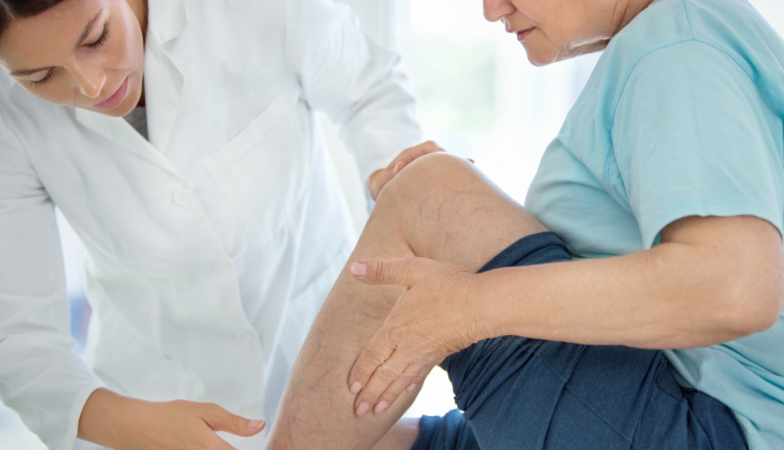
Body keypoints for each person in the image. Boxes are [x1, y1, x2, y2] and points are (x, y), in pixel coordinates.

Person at [262, 0, 784, 449]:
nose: (492, 9)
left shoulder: (674, 49)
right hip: (676, 406)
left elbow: (735, 289)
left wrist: (467, 305)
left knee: (431, 193)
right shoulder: (691, 36)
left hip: (708, 427)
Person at [0, 0, 433, 448]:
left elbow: (370, 91)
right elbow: (18, 339)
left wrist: (394, 184)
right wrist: (123, 423)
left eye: (96, 38)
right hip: (146, 393)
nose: (92, 85)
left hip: (318, 351)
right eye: (40, 76)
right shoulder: (1, 110)